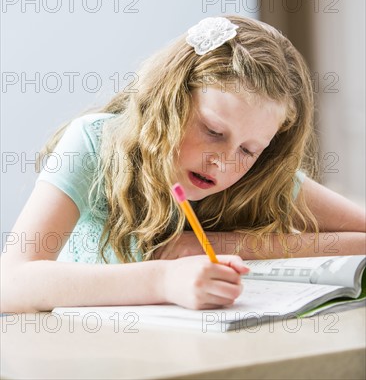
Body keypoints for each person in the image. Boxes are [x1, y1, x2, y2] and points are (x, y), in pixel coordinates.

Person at [1, 16, 365, 313]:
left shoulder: (260, 173)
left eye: (249, 150)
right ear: (170, 99)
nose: (222, 162)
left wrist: (219, 244)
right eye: (212, 130)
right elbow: (11, 283)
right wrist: (164, 279)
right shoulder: (95, 144)